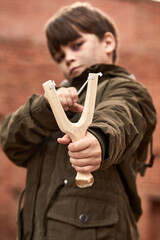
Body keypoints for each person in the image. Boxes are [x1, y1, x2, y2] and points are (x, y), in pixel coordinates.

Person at [0, 2, 157, 240]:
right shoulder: (54, 102)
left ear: (107, 42)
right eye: (60, 56)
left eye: (76, 45)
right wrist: (45, 110)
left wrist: (100, 139)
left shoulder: (126, 88)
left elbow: (124, 113)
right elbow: (10, 141)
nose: (69, 59)